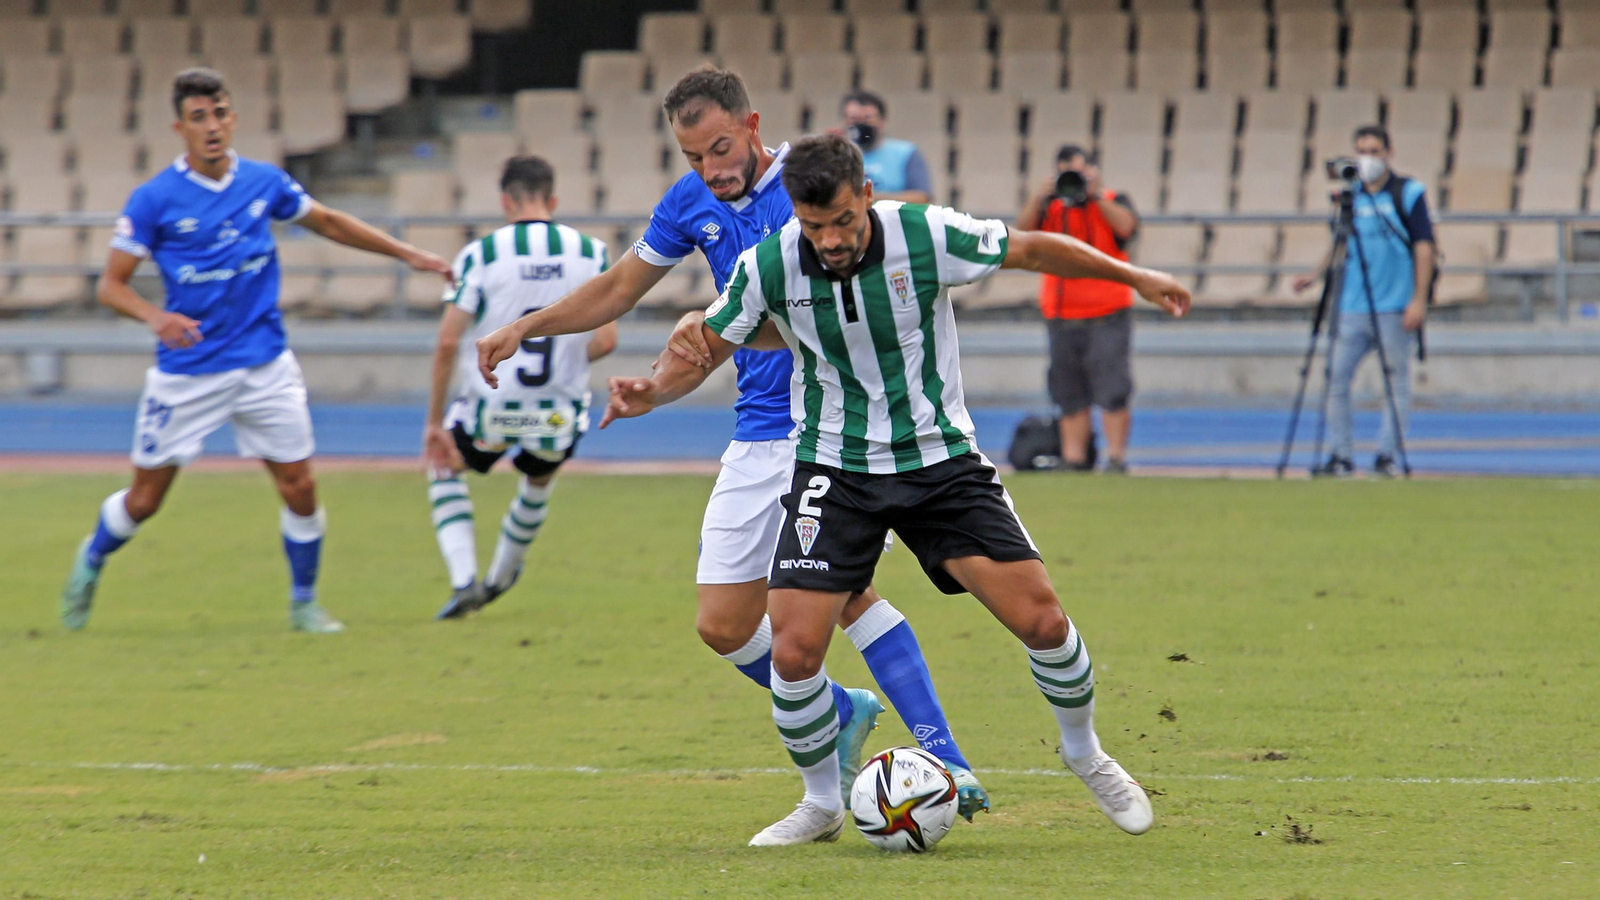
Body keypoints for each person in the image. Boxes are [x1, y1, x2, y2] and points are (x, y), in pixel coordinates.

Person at [600, 133, 1190, 846]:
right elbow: (710, 346)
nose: (832, 240)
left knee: (1043, 623)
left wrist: (1136, 278)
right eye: (815, 227)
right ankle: (822, 802)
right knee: (792, 653)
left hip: (937, 460)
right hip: (834, 467)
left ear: (867, 196)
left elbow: (1033, 249)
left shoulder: (926, 234)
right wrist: (651, 392)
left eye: (843, 221)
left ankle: (1085, 751)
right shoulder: (770, 263)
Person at [473, 68, 990, 818]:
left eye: (720, 147)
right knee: (721, 625)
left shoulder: (812, 190)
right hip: (755, 429)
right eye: (693, 157)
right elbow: (620, 288)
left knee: (838, 595)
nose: (711, 169)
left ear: (752, 126)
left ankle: (941, 760)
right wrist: (528, 324)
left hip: (831, 427)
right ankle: (841, 715)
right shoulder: (691, 204)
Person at [56, 68, 453, 633]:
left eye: (220, 113)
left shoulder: (264, 183)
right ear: (180, 127)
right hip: (189, 372)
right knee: (145, 501)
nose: (212, 126)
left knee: (301, 486)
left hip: (264, 362)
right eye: (199, 118)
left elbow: (331, 223)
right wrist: (156, 316)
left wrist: (407, 254)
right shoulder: (154, 200)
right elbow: (111, 284)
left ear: (233, 117)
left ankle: (304, 603)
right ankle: (91, 560)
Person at [423, 156, 618, 618]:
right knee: (539, 477)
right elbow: (607, 340)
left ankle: (464, 579)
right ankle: (502, 574)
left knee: (443, 464)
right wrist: (566, 359)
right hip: (558, 413)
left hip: (492, 406)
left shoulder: (480, 253)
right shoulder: (591, 252)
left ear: (505, 201)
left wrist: (433, 422)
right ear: (552, 200)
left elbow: (449, 340)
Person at [1295, 125, 1435, 478]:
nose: (1367, 159)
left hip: (1394, 304)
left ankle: (1387, 454)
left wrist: (1419, 299)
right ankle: (1339, 455)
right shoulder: (1351, 196)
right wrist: (1315, 274)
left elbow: (1424, 246)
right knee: (1336, 380)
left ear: (1389, 152)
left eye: (1374, 151)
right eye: (1361, 151)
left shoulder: (1408, 192)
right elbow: (1340, 242)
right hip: (1353, 305)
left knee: (1395, 382)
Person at [1018, 145, 1141, 473]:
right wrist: (1039, 196)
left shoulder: (1113, 200)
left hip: (1107, 309)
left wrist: (1096, 194)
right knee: (1068, 391)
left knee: (1113, 388)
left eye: (1079, 172)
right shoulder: (1051, 207)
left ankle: (1116, 459)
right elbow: (1022, 234)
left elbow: (1127, 228)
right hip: (1061, 312)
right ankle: (1073, 459)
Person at [840, 90, 932, 204]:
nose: (860, 124)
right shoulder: (835, 155)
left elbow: (921, 197)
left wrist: (868, 197)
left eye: (867, 118)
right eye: (853, 119)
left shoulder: (906, 153)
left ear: (882, 121)